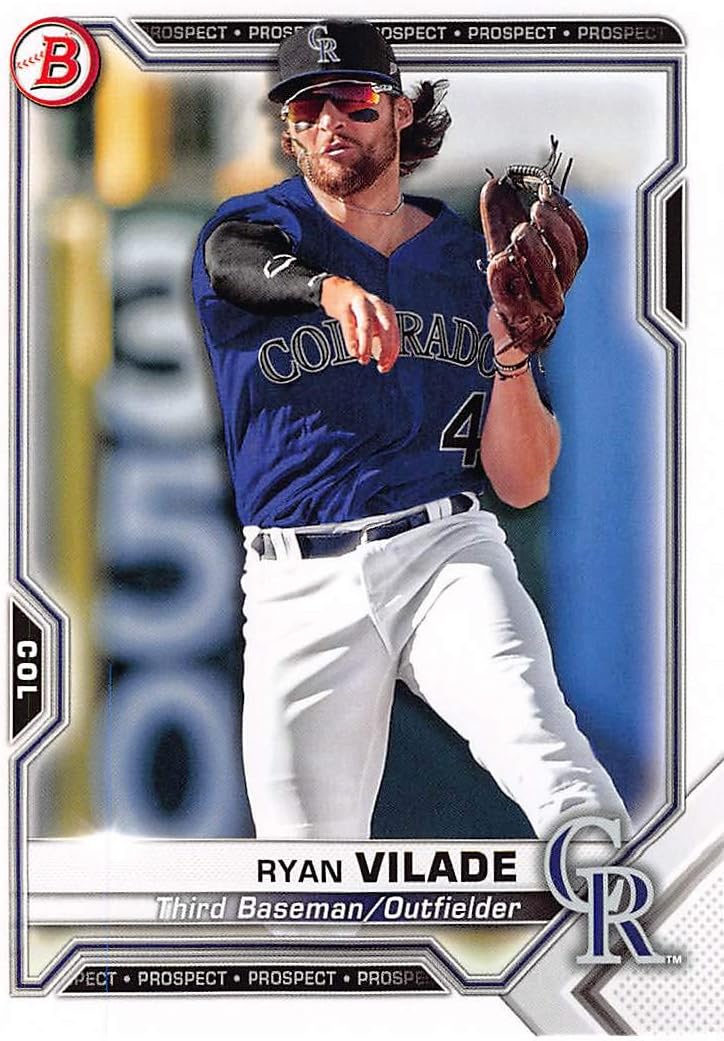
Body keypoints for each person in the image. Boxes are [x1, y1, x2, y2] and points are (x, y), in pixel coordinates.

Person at [191, 19, 631, 840]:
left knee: (553, 763)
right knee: (304, 874)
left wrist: (509, 350)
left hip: (443, 556)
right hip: (295, 582)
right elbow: (232, 264)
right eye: (308, 106)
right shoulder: (253, 231)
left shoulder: (469, 260)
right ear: (289, 132)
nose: (332, 120)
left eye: (354, 100)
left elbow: (524, 481)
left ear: (399, 112)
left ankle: (625, 916)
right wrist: (329, 290)